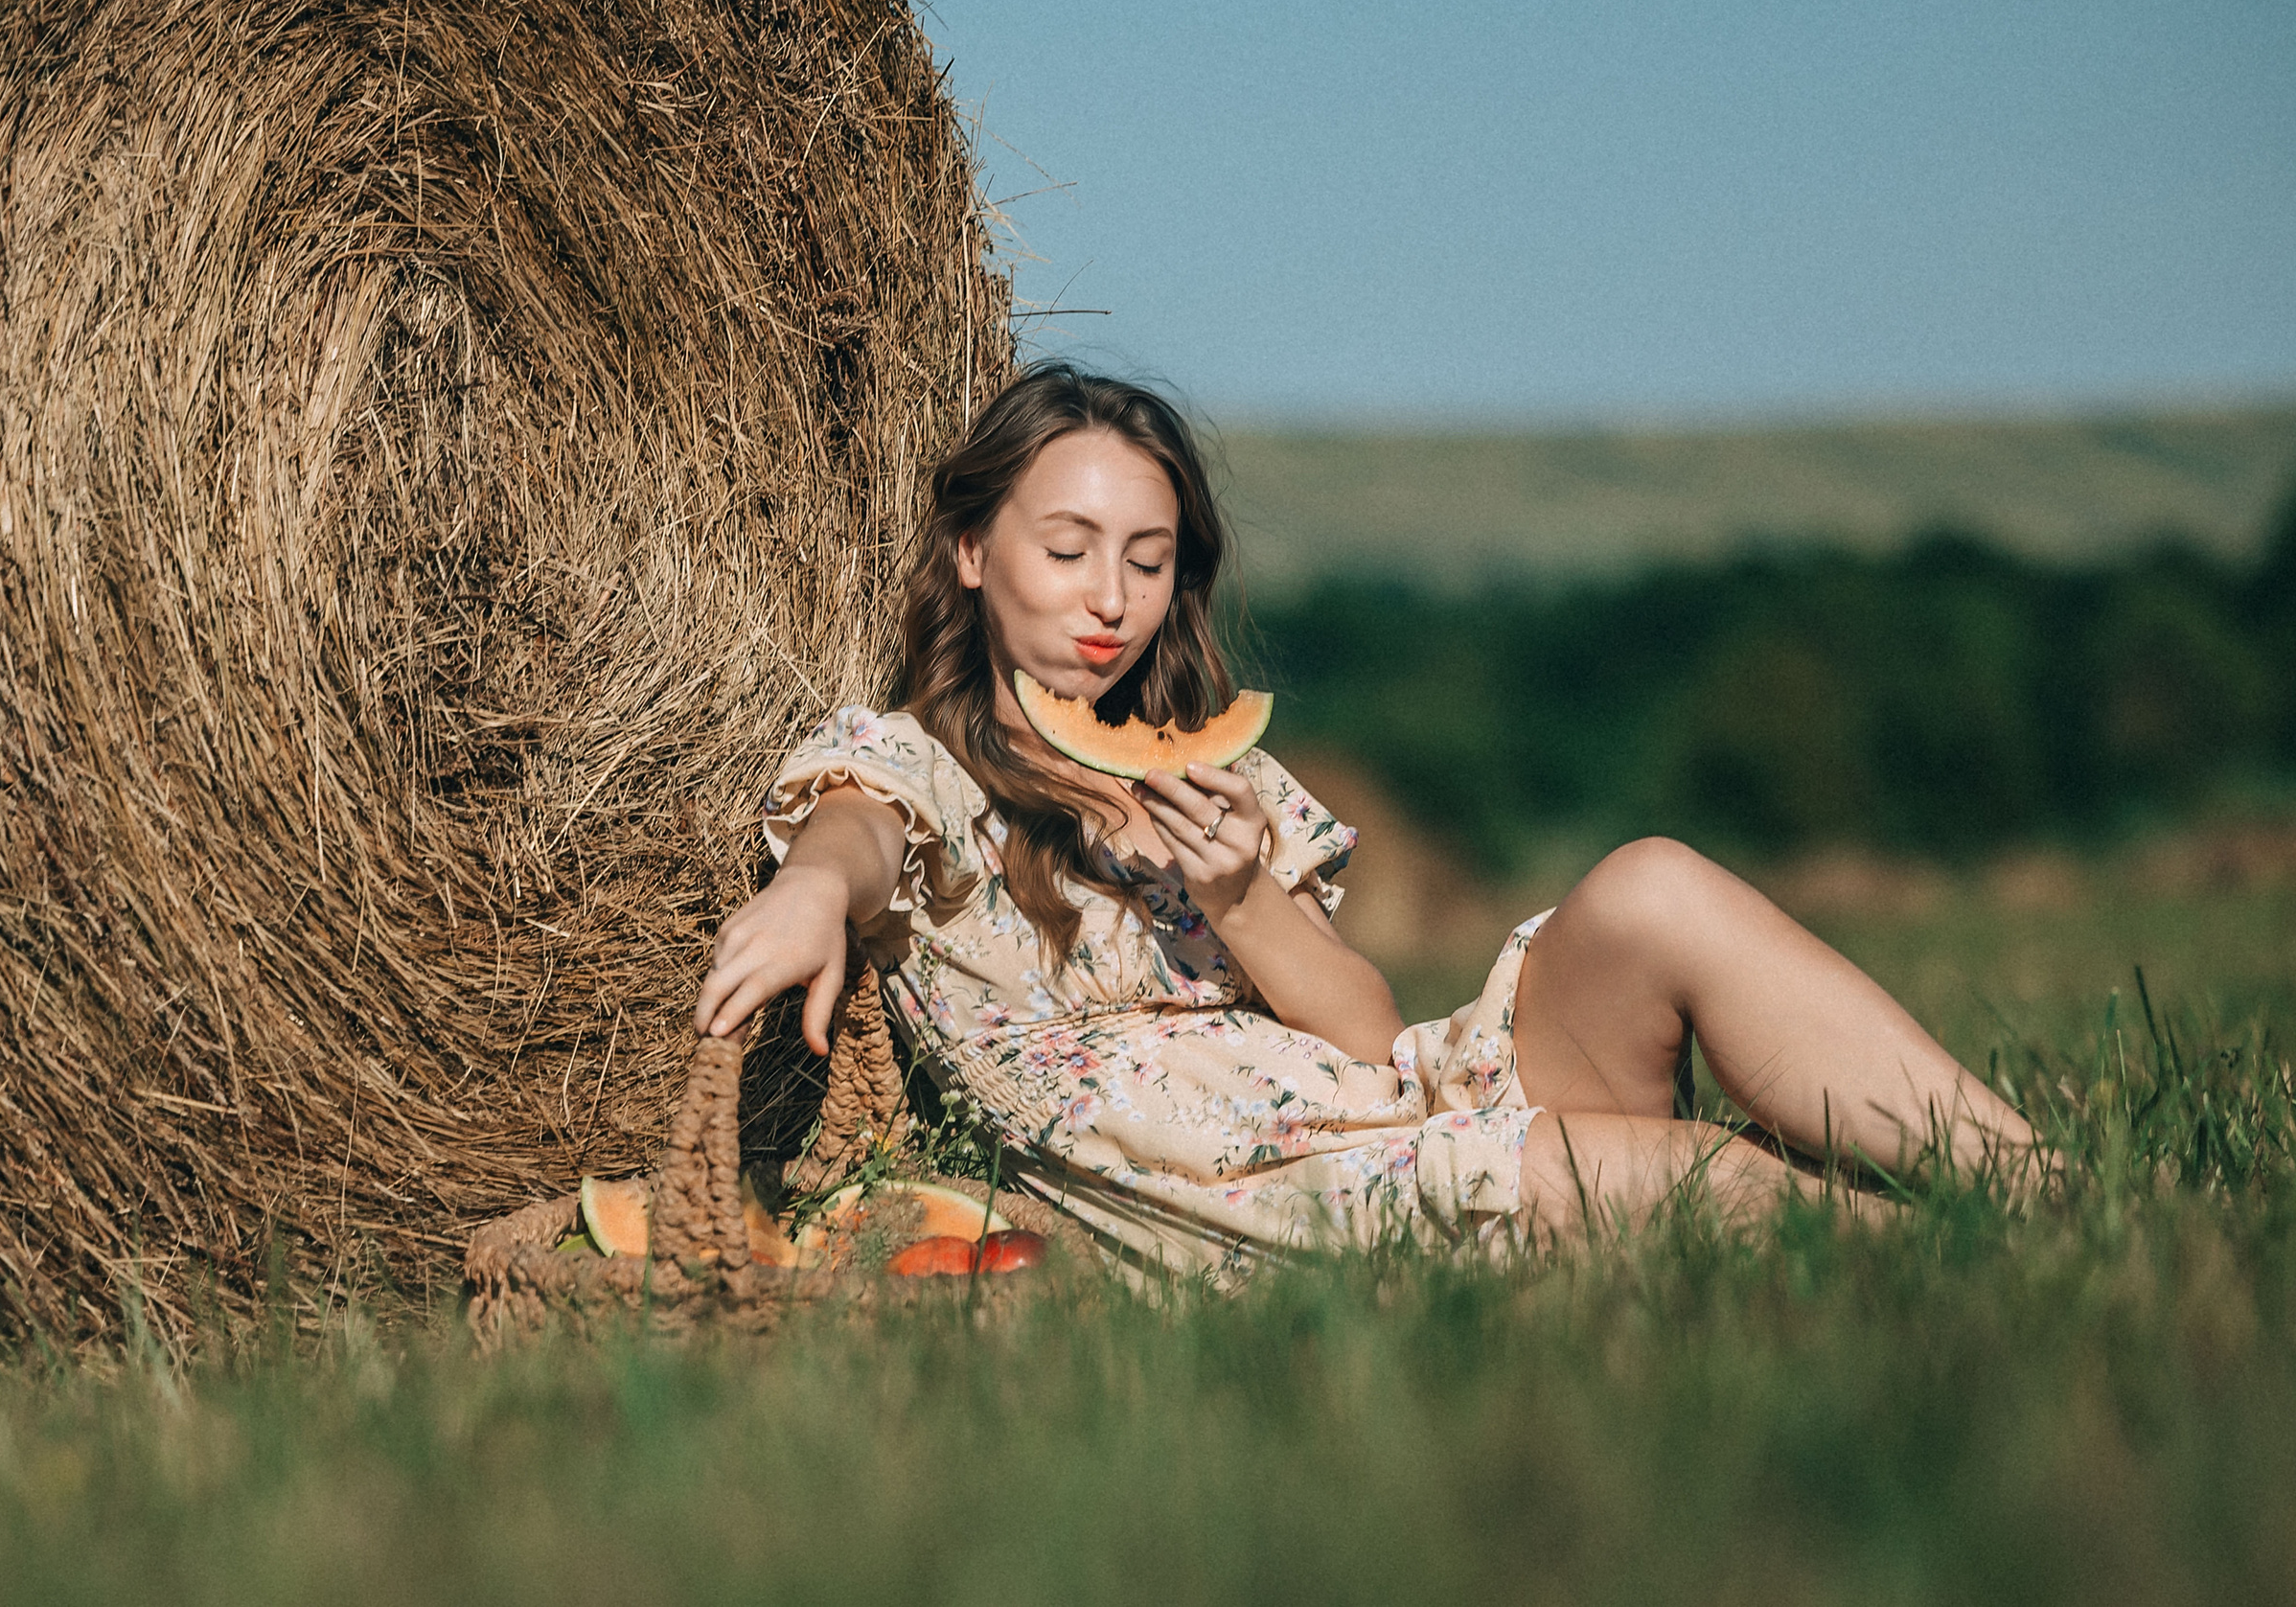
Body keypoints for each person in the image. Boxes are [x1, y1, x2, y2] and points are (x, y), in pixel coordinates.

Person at [693, 364, 2040, 1276]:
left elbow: (1365, 1033)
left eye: (1150, 562)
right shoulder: (919, 769)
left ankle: (2048, 1196)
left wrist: (1240, 897)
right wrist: (813, 889)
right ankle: (1993, 1263)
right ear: (972, 554)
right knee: (1717, 1188)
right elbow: (859, 830)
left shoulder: (1207, 783)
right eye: (1066, 550)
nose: (1111, 596)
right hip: (1269, 1199)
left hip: (1396, 1110)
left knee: (1656, 882)